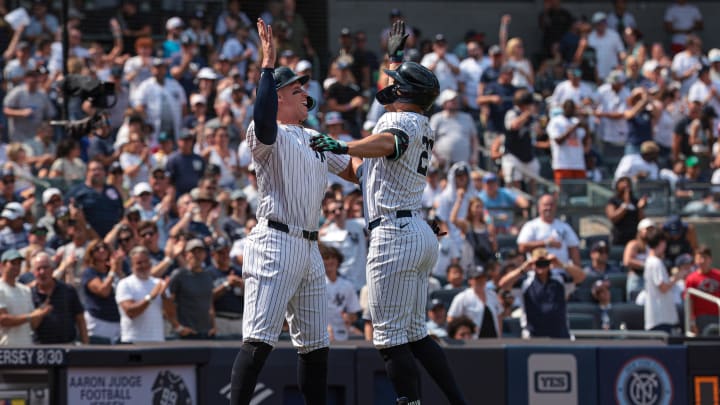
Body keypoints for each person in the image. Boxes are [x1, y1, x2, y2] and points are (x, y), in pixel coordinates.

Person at [310, 20, 467, 405]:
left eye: (398, 82)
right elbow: (363, 174)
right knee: (415, 334)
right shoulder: (420, 121)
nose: (391, 85)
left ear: (406, 93)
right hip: (414, 229)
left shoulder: (401, 123)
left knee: (389, 337)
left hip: (395, 234)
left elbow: (387, 143)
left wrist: (344, 145)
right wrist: (394, 58)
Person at [229, 19, 356, 405]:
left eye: (304, 88)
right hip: (276, 239)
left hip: (309, 246)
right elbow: (264, 120)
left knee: (316, 345)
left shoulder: (314, 136)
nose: (304, 93)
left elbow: (354, 171)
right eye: (295, 88)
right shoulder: (267, 131)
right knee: (260, 340)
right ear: (278, 96)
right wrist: (267, 65)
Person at [498, 247, 578, 338]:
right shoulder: (526, 281)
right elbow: (503, 284)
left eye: (544, 263)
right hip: (533, 335)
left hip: (559, 333)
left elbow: (581, 277)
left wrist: (561, 265)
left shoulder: (560, 279)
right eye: (538, 263)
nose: (541, 266)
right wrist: (523, 268)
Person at [516, 194, 582, 280]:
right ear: (539, 207)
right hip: (536, 274)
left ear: (555, 207)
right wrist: (546, 243)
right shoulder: (531, 226)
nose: (548, 208)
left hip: (561, 273)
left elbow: (574, 251)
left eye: (551, 205)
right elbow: (522, 247)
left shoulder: (564, 227)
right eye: (545, 205)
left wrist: (576, 274)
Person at [29, 252, 88, 344]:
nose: (42, 272)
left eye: (45, 267)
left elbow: (80, 319)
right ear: (33, 272)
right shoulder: (29, 294)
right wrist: (39, 314)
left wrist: (86, 345)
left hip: (67, 347)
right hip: (40, 349)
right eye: (38, 269)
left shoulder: (68, 290)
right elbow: (29, 325)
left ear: (52, 269)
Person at [115, 246, 167, 343]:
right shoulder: (125, 284)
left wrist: (165, 297)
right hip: (133, 341)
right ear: (132, 265)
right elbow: (131, 312)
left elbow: (170, 315)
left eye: (146, 261)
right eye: (139, 263)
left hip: (157, 341)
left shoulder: (159, 283)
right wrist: (151, 297)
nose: (143, 265)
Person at [0, 249, 49, 345]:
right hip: (5, 350)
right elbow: (3, 320)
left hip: (26, 348)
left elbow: (33, 325)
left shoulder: (25, 290)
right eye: (13, 263)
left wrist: (41, 313)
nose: (16, 267)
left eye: (19, 264)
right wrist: (31, 316)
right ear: (2, 265)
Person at [67, 160, 124, 237]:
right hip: (89, 238)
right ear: (87, 173)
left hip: (114, 238)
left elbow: (121, 212)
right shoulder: (77, 192)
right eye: (93, 170)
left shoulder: (112, 190)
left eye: (100, 169)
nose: (97, 172)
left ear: (104, 172)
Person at [81, 240, 124, 344]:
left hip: (118, 321)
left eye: (104, 247)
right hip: (98, 322)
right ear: (91, 253)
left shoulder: (113, 269)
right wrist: (113, 271)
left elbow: (126, 287)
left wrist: (118, 270)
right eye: (97, 248)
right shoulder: (89, 272)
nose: (102, 250)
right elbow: (103, 291)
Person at [320, 244, 361, 342]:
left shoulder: (347, 285)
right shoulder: (315, 285)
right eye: (326, 258)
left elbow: (354, 314)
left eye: (333, 258)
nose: (330, 261)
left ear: (338, 261)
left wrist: (349, 318)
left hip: (341, 336)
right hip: (320, 335)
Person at [643, 228, 680, 334]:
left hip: (658, 318)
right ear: (661, 243)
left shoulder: (651, 261)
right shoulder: (655, 263)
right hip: (661, 318)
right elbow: (663, 287)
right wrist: (677, 278)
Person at [447, 266, 501, 338]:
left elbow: (499, 316)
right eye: (477, 279)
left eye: (483, 278)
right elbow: (451, 319)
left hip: (494, 339)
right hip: (473, 341)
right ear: (470, 280)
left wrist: (500, 335)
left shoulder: (492, 295)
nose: (481, 281)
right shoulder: (462, 297)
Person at [2, 69, 55, 143]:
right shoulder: (18, 92)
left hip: (36, 138)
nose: (34, 80)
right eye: (32, 77)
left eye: (36, 78)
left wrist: (45, 128)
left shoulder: (42, 95)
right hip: (18, 137)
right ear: (26, 79)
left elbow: (50, 114)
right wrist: (21, 113)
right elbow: (6, 110)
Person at [429, 89, 478, 168]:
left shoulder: (467, 117)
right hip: (442, 164)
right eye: (451, 100)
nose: (455, 102)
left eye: (455, 99)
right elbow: (430, 140)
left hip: (463, 163)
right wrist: (436, 157)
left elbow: (474, 139)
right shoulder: (437, 118)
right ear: (444, 103)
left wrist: (474, 156)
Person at [546, 100, 590, 185]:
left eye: (572, 108)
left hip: (578, 164)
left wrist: (585, 126)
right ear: (563, 108)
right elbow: (558, 140)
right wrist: (573, 128)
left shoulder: (576, 121)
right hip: (562, 163)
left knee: (579, 193)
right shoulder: (556, 121)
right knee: (563, 192)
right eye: (568, 108)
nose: (570, 110)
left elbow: (584, 140)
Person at [208, 237, 244, 338]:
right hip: (220, 319)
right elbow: (206, 298)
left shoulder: (239, 272)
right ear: (213, 254)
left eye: (226, 252)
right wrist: (226, 285)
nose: (224, 256)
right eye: (220, 253)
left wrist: (243, 285)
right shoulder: (208, 273)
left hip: (239, 319)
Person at [685, 245, 720, 335]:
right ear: (695, 260)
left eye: (705, 258)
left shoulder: (718, 275)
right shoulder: (691, 279)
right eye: (699, 258)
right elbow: (689, 302)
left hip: (718, 316)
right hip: (701, 318)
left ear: (710, 259)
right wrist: (692, 322)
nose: (702, 261)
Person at [606, 176, 647, 246]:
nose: (625, 184)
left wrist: (640, 208)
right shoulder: (613, 201)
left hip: (634, 238)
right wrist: (626, 204)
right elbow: (613, 218)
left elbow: (642, 221)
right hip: (619, 239)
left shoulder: (635, 201)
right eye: (622, 181)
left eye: (627, 182)